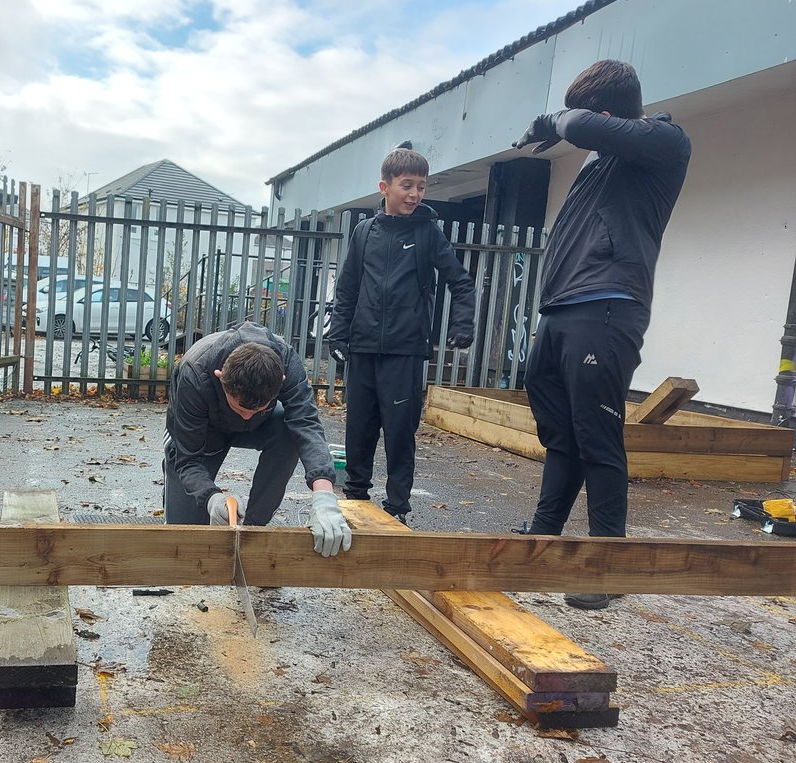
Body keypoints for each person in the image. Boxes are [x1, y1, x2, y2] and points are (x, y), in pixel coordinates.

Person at [511, 59, 691, 610]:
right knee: (561, 433)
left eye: (588, 115)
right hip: (562, 309)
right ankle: (544, 538)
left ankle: (607, 565)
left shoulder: (665, 142)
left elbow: (579, 125)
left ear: (609, 115)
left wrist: (553, 120)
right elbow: (585, 130)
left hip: (608, 307)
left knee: (598, 435)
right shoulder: (602, 160)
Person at [326, 147, 476, 525]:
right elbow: (348, 287)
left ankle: (396, 509)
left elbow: (460, 282)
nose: (414, 194)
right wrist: (338, 335)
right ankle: (355, 499)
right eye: (407, 185)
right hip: (363, 348)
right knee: (359, 430)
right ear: (385, 187)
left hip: (405, 351)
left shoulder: (428, 234)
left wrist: (462, 325)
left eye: (421, 187)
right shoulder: (364, 232)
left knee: (398, 433)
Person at [163, 323, 351, 557]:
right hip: (203, 433)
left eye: (255, 409)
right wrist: (211, 497)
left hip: (261, 427)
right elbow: (188, 459)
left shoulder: (287, 363)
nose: (245, 416)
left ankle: (253, 527)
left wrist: (324, 495)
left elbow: (307, 425)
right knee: (184, 537)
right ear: (220, 377)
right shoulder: (195, 372)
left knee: (289, 430)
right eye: (239, 408)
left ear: (281, 380)